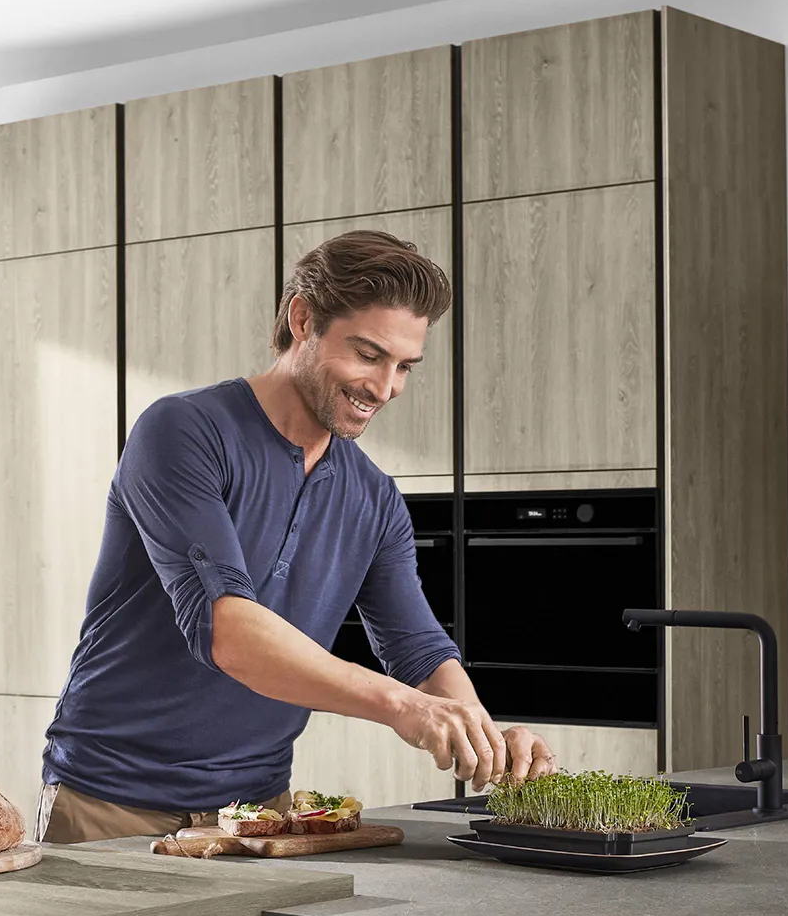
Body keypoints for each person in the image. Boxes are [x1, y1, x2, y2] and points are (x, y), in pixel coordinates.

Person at [35, 229, 556, 845]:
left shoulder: (375, 498)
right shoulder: (183, 432)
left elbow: (417, 648)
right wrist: (401, 707)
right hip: (109, 803)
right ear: (302, 317)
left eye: (404, 367)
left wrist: (479, 730)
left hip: (261, 813)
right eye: (368, 355)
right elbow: (228, 632)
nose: (385, 388)